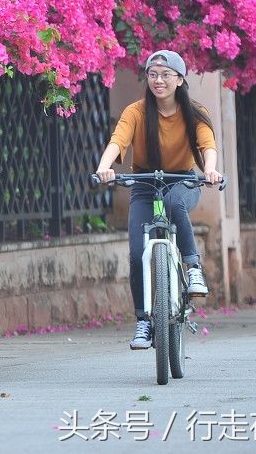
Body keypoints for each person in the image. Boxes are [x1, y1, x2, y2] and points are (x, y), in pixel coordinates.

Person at [95, 49, 223, 350]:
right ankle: (143, 321)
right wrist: (104, 166)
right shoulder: (137, 111)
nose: (158, 80)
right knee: (138, 252)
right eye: (153, 74)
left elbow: (207, 145)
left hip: (183, 179)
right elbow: (119, 139)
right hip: (145, 182)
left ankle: (192, 268)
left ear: (179, 79)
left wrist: (210, 170)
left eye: (166, 75)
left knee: (175, 204)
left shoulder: (194, 111)